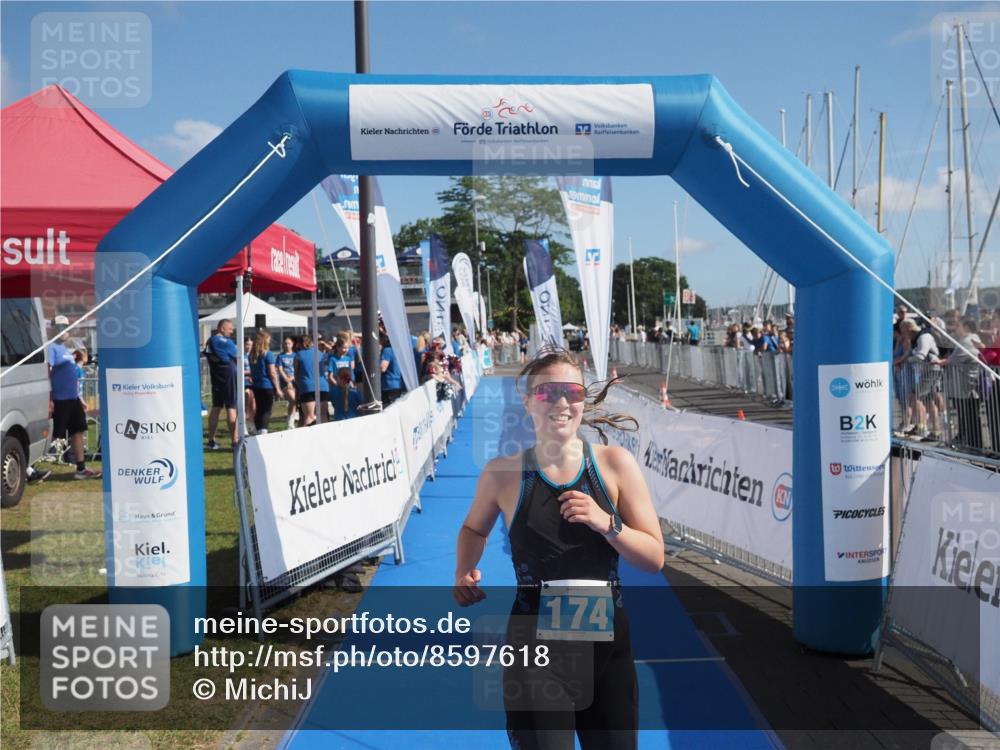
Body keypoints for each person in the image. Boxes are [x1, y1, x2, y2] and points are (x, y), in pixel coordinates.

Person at [453, 349, 664, 749]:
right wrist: (464, 569)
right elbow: (472, 530)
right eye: (548, 392)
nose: (562, 402)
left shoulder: (615, 465)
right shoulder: (502, 473)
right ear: (528, 401)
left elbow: (654, 558)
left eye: (573, 392)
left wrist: (608, 524)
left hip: (607, 646)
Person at [48, 320, 100, 479]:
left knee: (78, 431)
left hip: (72, 399)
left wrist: (79, 398)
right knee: (54, 435)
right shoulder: (51, 347)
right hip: (60, 399)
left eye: (66, 327)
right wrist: (49, 399)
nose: (65, 330)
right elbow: (47, 371)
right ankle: (28, 467)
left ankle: (81, 469)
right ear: (54, 329)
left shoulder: (64, 348)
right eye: (61, 327)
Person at [204, 319, 240, 450]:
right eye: (230, 328)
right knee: (231, 407)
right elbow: (237, 356)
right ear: (222, 328)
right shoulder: (228, 342)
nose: (232, 331)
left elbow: (207, 354)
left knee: (216, 407)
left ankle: (211, 441)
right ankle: (235, 441)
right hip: (229, 374)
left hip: (216, 375)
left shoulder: (210, 340)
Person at [293, 334, 329, 427]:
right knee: (323, 415)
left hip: (307, 386)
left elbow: (296, 374)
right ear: (312, 343)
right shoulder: (319, 353)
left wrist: (297, 386)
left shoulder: (298, 355)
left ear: (299, 344)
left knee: (309, 416)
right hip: (322, 386)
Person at [248, 330, 280, 435]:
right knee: (267, 410)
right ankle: (263, 431)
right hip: (266, 385)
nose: (270, 341)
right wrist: (277, 388)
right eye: (269, 339)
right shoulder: (268, 354)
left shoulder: (252, 355)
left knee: (259, 409)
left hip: (256, 385)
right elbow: (272, 373)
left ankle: (258, 430)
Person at [276, 336, 298, 429]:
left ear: (292, 344)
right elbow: (280, 369)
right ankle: (290, 422)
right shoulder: (280, 356)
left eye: (289, 343)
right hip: (285, 383)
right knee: (292, 400)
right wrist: (287, 380)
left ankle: (291, 420)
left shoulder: (296, 355)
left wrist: (293, 378)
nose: (287, 345)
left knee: (295, 401)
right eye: (285, 343)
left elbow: (298, 369)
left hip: (295, 381)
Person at [379, 333, 404, 407]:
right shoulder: (399, 350)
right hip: (397, 384)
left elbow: (383, 368)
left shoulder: (387, 350)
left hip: (388, 385)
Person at [242, 336, 256, 432]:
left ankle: (252, 423)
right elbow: (238, 370)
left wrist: (253, 375)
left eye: (250, 345)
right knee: (247, 396)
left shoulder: (254, 355)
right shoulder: (240, 355)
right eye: (247, 344)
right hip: (244, 381)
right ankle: (243, 425)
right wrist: (249, 374)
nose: (249, 347)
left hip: (254, 381)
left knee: (253, 404)